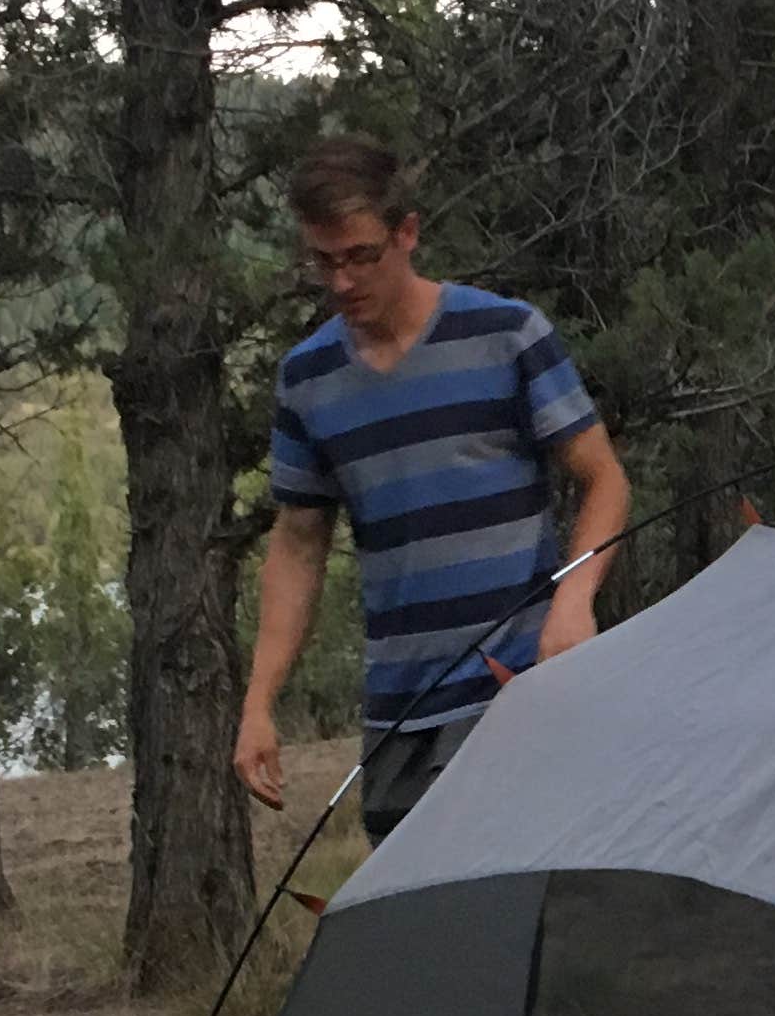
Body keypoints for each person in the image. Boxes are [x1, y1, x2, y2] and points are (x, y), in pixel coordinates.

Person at [235, 135, 632, 837]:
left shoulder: (507, 334)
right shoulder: (307, 379)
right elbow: (297, 547)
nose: (343, 282)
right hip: (396, 715)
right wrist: (259, 702)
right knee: (414, 934)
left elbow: (604, 481)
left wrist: (574, 601)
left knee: (505, 925)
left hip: (515, 692)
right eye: (324, 262)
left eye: (361, 256)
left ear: (407, 233)